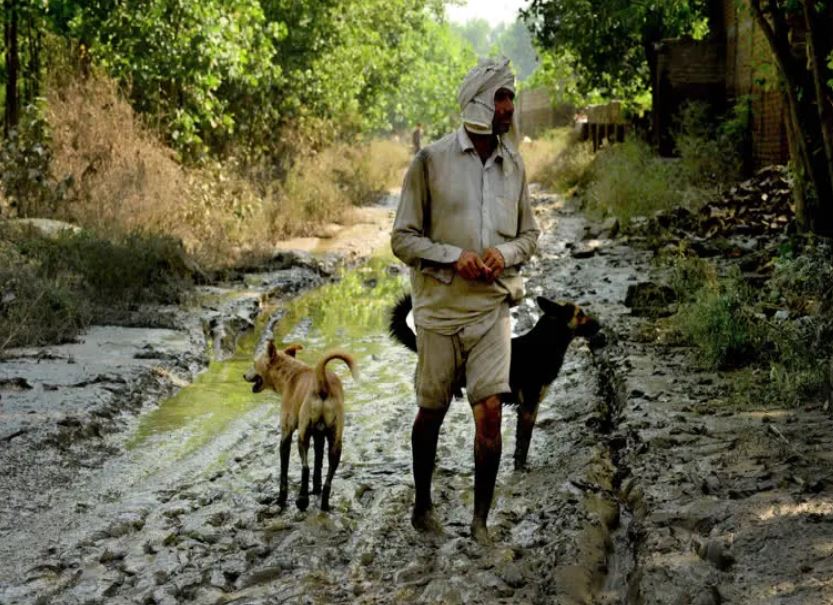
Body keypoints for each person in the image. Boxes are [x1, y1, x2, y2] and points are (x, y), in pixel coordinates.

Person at [391, 57, 540, 544]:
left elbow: (530, 236)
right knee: (431, 410)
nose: (509, 108)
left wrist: (504, 253)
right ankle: (422, 505)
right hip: (437, 310)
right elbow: (403, 239)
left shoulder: (514, 164)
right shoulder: (429, 162)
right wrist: (454, 258)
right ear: (479, 102)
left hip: (491, 309)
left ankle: (479, 522)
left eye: (511, 98)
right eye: (502, 97)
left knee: (491, 410)